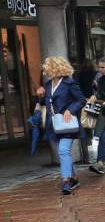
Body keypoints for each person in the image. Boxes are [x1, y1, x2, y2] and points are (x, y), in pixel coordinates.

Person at [41, 56, 85, 195]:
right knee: (64, 151)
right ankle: (73, 178)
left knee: (63, 150)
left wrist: (70, 110)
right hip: (55, 124)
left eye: (47, 66)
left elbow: (81, 100)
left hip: (67, 123)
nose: (44, 69)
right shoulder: (48, 84)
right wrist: (41, 96)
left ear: (54, 67)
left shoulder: (69, 83)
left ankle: (66, 181)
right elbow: (48, 102)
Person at [73, 58, 97, 164]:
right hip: (91, 101)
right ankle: (90, 139)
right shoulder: (95, 74)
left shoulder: (78, 75)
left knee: (82, 126)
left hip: (81, 102)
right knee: (92, 122)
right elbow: (97, 88)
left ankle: (85, 157)